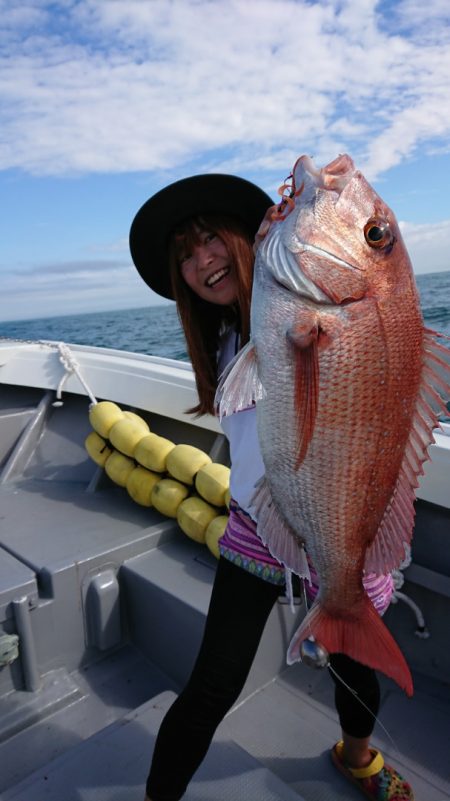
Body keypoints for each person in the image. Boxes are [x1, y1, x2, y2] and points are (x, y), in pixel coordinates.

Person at [129, 173, 414, 801]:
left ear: (246, 238)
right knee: (213, 683)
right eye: (184, 254)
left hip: (342, 528)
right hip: (258, 531)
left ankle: (357, 757)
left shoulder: (305, 307)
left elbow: (365, 293)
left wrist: (303, 219)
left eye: (210, 240)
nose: (201, 262)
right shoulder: (230, 334)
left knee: (354, 669)